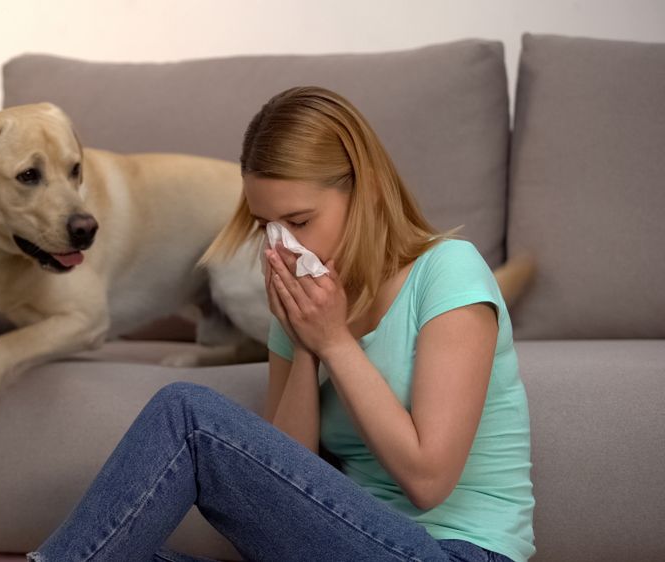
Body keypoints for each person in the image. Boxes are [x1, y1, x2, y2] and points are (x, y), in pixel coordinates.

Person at [27, 86, 535, 562]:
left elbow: (428, 480)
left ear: (366, 191)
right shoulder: (305, 305)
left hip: (456, 551)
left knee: (187, 413)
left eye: (298, 222)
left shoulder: (448, 270)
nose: (281, 248)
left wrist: (335, 342)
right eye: (265, 227)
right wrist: (305, 343)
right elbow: (280, 485)